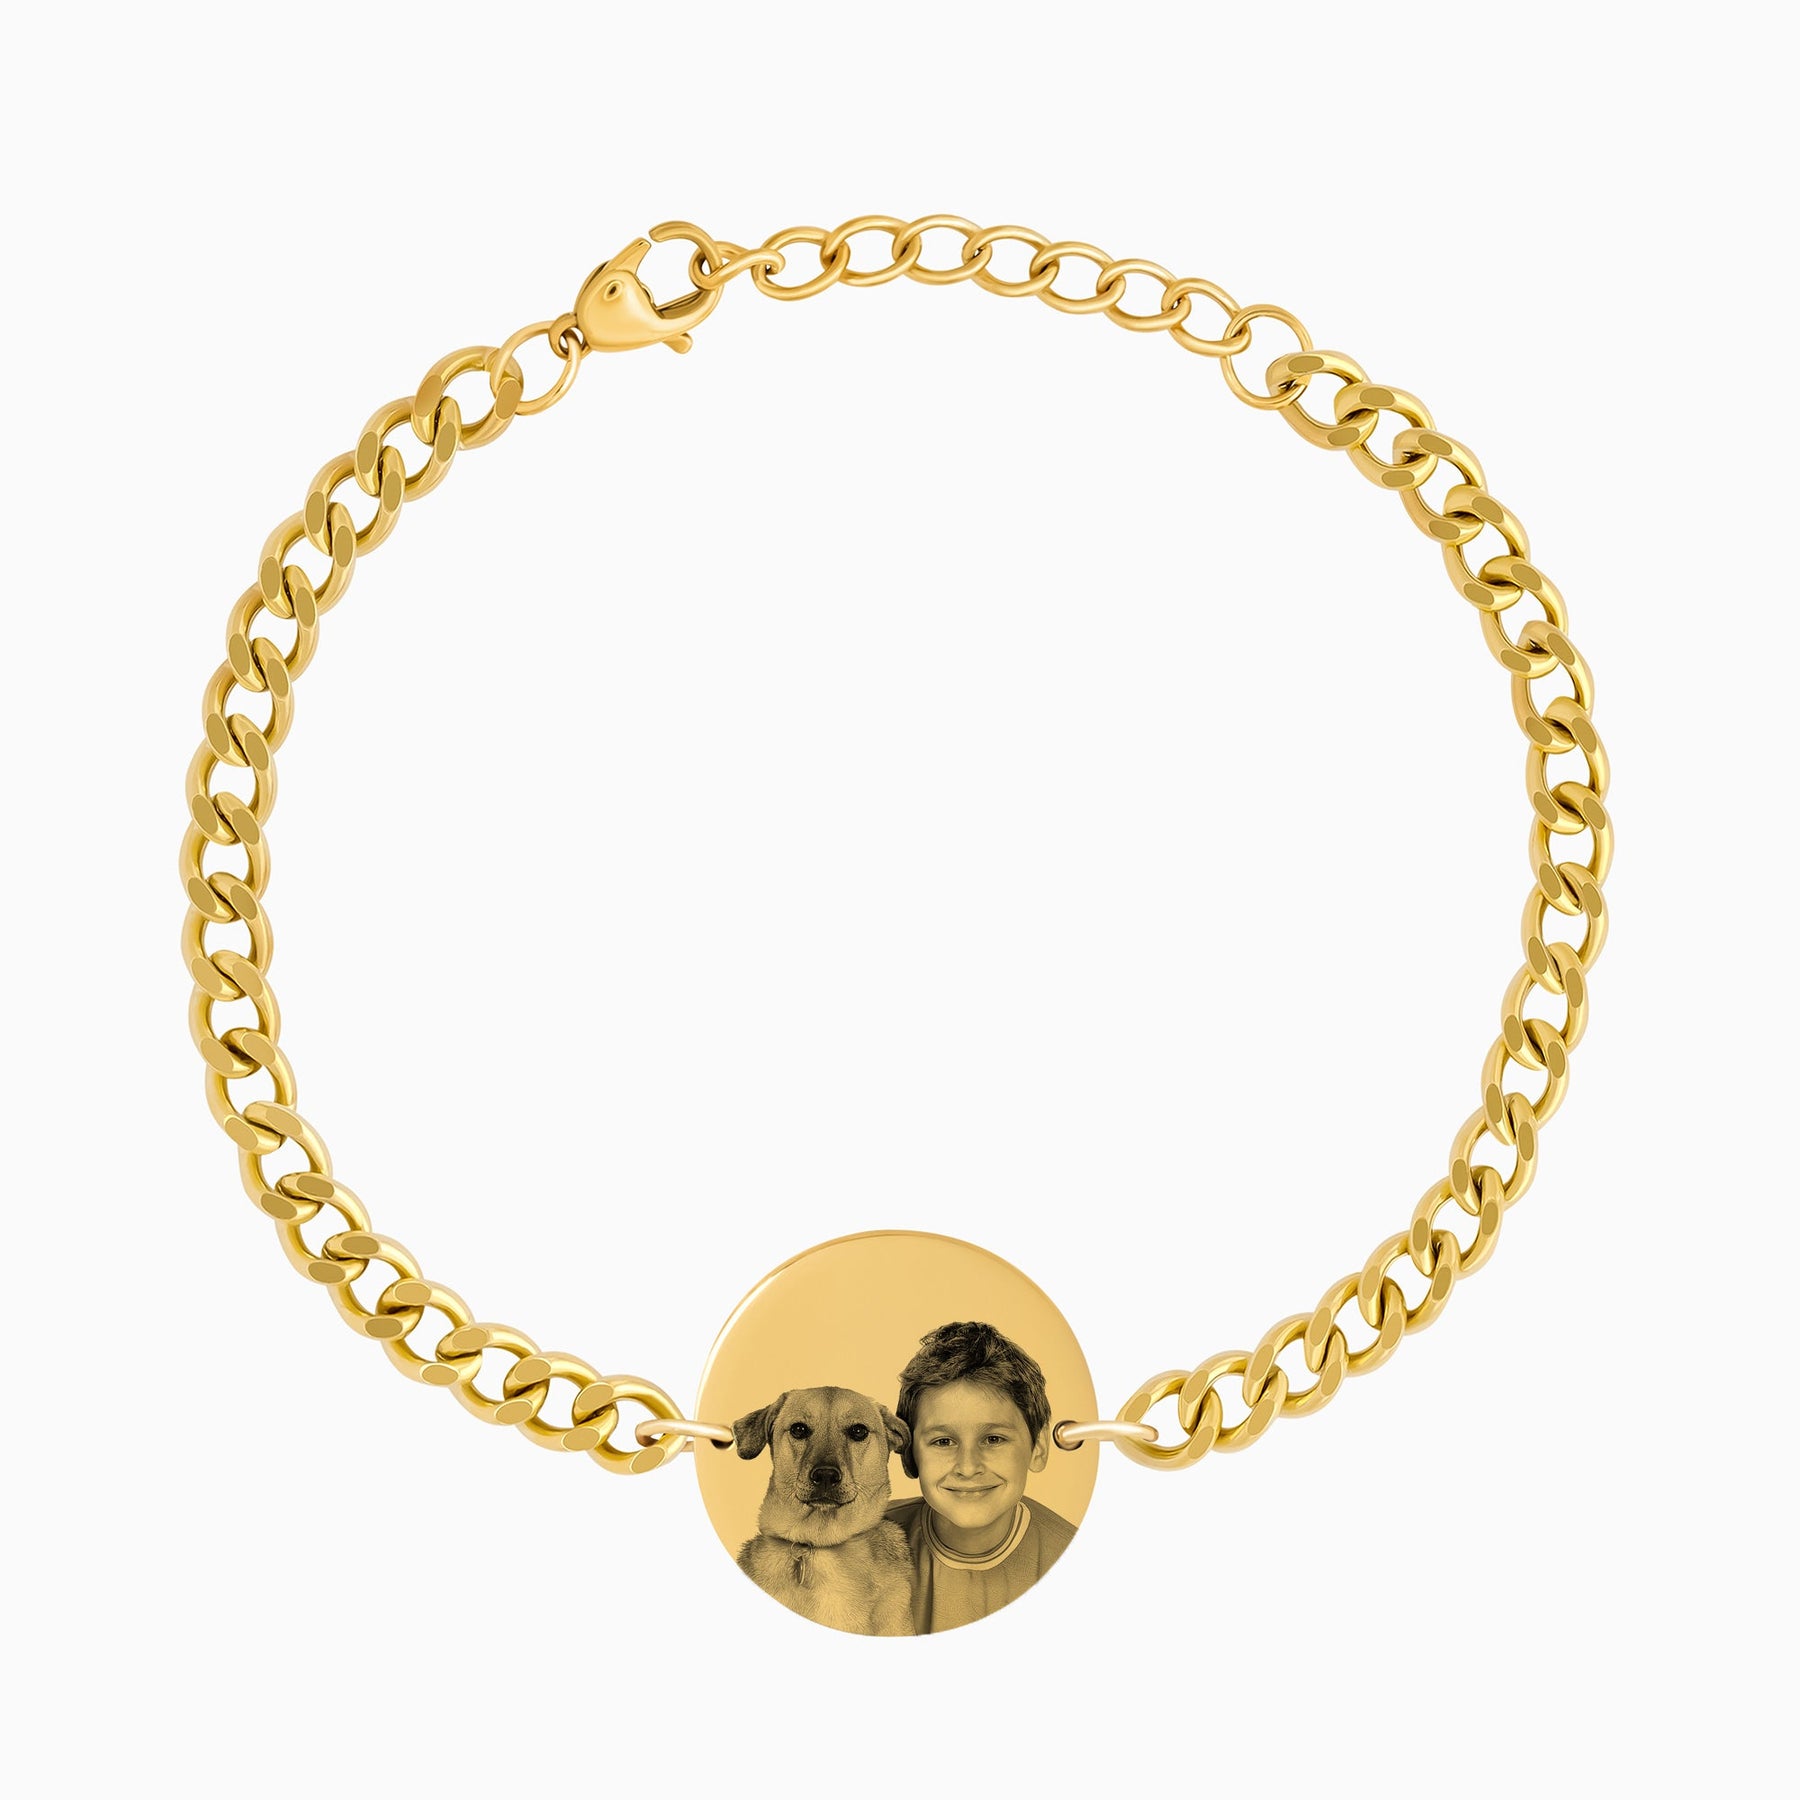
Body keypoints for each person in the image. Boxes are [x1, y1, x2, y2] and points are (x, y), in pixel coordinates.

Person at [887, 1319, 1077, 1633]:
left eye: (993, 1439)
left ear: (1038, 1446)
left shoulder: (1072, 1559)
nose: (968, 1466)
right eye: (943, 1442)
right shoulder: (860, 1547)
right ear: (908, 1453)